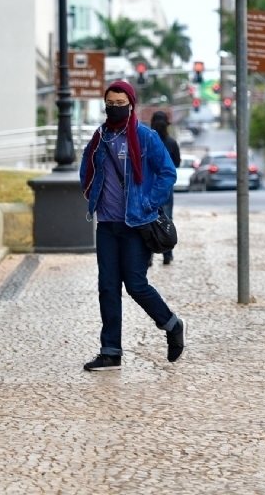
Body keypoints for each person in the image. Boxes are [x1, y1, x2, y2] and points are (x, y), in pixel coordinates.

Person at [79, 81, 185, 371]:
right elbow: (86, 169)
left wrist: (148, 204)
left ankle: (172, 325)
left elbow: (167, 173)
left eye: (120, 103)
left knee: (136, 284)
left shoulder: (145, 137)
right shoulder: (100, 138)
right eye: (110, 104)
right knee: (108, 287)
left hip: (137, 224)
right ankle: (110, 351)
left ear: (131, 104)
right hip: (107, 225)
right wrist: (93, 196)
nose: (115, 108)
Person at [150, 110, 180, 266]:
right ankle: (167, 253)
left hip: (149, 187)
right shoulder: (171, 143)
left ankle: (148, 256)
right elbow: (177, 163)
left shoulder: (147, 141)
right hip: (166, 187)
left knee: (148, 220)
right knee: (166, 219)